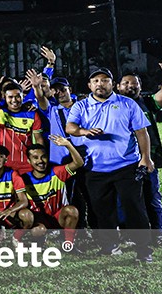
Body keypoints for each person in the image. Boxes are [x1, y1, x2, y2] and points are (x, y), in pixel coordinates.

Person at [66, 67, 156, 261]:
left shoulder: (127, 104)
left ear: (112, 84)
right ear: (89, 85)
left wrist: (145, 157)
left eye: (105, 80)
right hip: (95, 168)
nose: (100, 84)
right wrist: (84, 132)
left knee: (134, 207)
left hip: (126, 166)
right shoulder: (80, 106)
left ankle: (143, 249)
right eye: (96, 81)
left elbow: (142, 132)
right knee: (102, 210)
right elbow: (70, 127)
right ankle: (110, 245)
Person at [116, 55, 162, 249]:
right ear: (118, 87)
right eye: (126, 83)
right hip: (123, 161)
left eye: (134, 84)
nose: (130, 86)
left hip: (148, 159)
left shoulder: (146, 103)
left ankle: (158, 235)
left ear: (140, 88)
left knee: (152, 197)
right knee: (124, 199)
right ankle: (127, 234)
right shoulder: (112, 106)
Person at [22, 135, 84, 247]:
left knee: (72, 210)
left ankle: (68, 244)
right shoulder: (23, 180)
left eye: (43, 157)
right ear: (29, 161)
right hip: (39, 221)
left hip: (57, 218)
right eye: (35, 158)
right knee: (38, 230)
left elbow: (79, 163)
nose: (40, 161)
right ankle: (38, 240)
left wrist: (68, 145)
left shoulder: (57, 173)